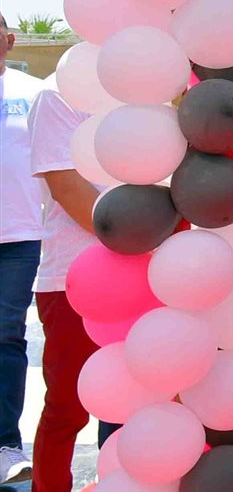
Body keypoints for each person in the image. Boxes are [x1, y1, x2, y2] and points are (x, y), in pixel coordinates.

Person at [28, 76, 120, 492]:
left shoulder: (153, 86)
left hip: (149, 275)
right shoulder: (58, 92)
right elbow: (65, 186)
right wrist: (138, 236)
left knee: (135, 404)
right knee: (67, 408)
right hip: (73, 280)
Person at [0, 12, 42, 485]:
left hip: (18, 238)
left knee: (6, 336)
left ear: (9, 40)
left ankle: (5, 446)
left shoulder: (34, 94)